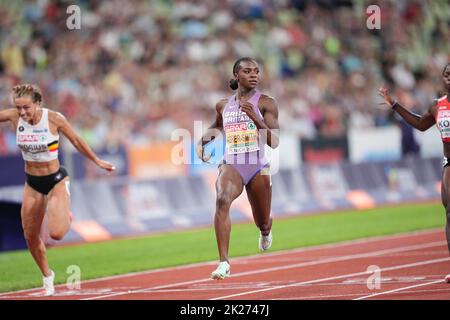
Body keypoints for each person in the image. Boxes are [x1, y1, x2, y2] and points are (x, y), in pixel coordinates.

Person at [0, 84, 115, 295]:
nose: (22, 112)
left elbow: (77, 140)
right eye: (19, 108)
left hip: (55, 180)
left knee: (57, 233)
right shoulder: (14, 117)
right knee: (30, 236)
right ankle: (47, 276)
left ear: (37, 103)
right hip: (32, 183)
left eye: (26, 107)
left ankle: (65, 214)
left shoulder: (54, 119)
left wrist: (97, 160)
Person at [196, 57, 280, 280]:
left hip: (258, 166)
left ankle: (265, 230)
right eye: (247, 71)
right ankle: (223, 262)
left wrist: (255, 117)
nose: (254, 75)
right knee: (222, 199)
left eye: (256, 71)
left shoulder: (266, 103)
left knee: (261, 220)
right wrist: (201, 143)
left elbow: (274, 141)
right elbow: (216, 126)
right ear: (236, 75)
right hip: (232, 163)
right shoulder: (224, 105)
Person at [378, 63, 450, 282]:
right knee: (449, 214)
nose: (449, 78)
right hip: (449, 162)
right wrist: (394, 105)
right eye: (447, 74)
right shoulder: (437, 106)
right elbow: (419, 124)